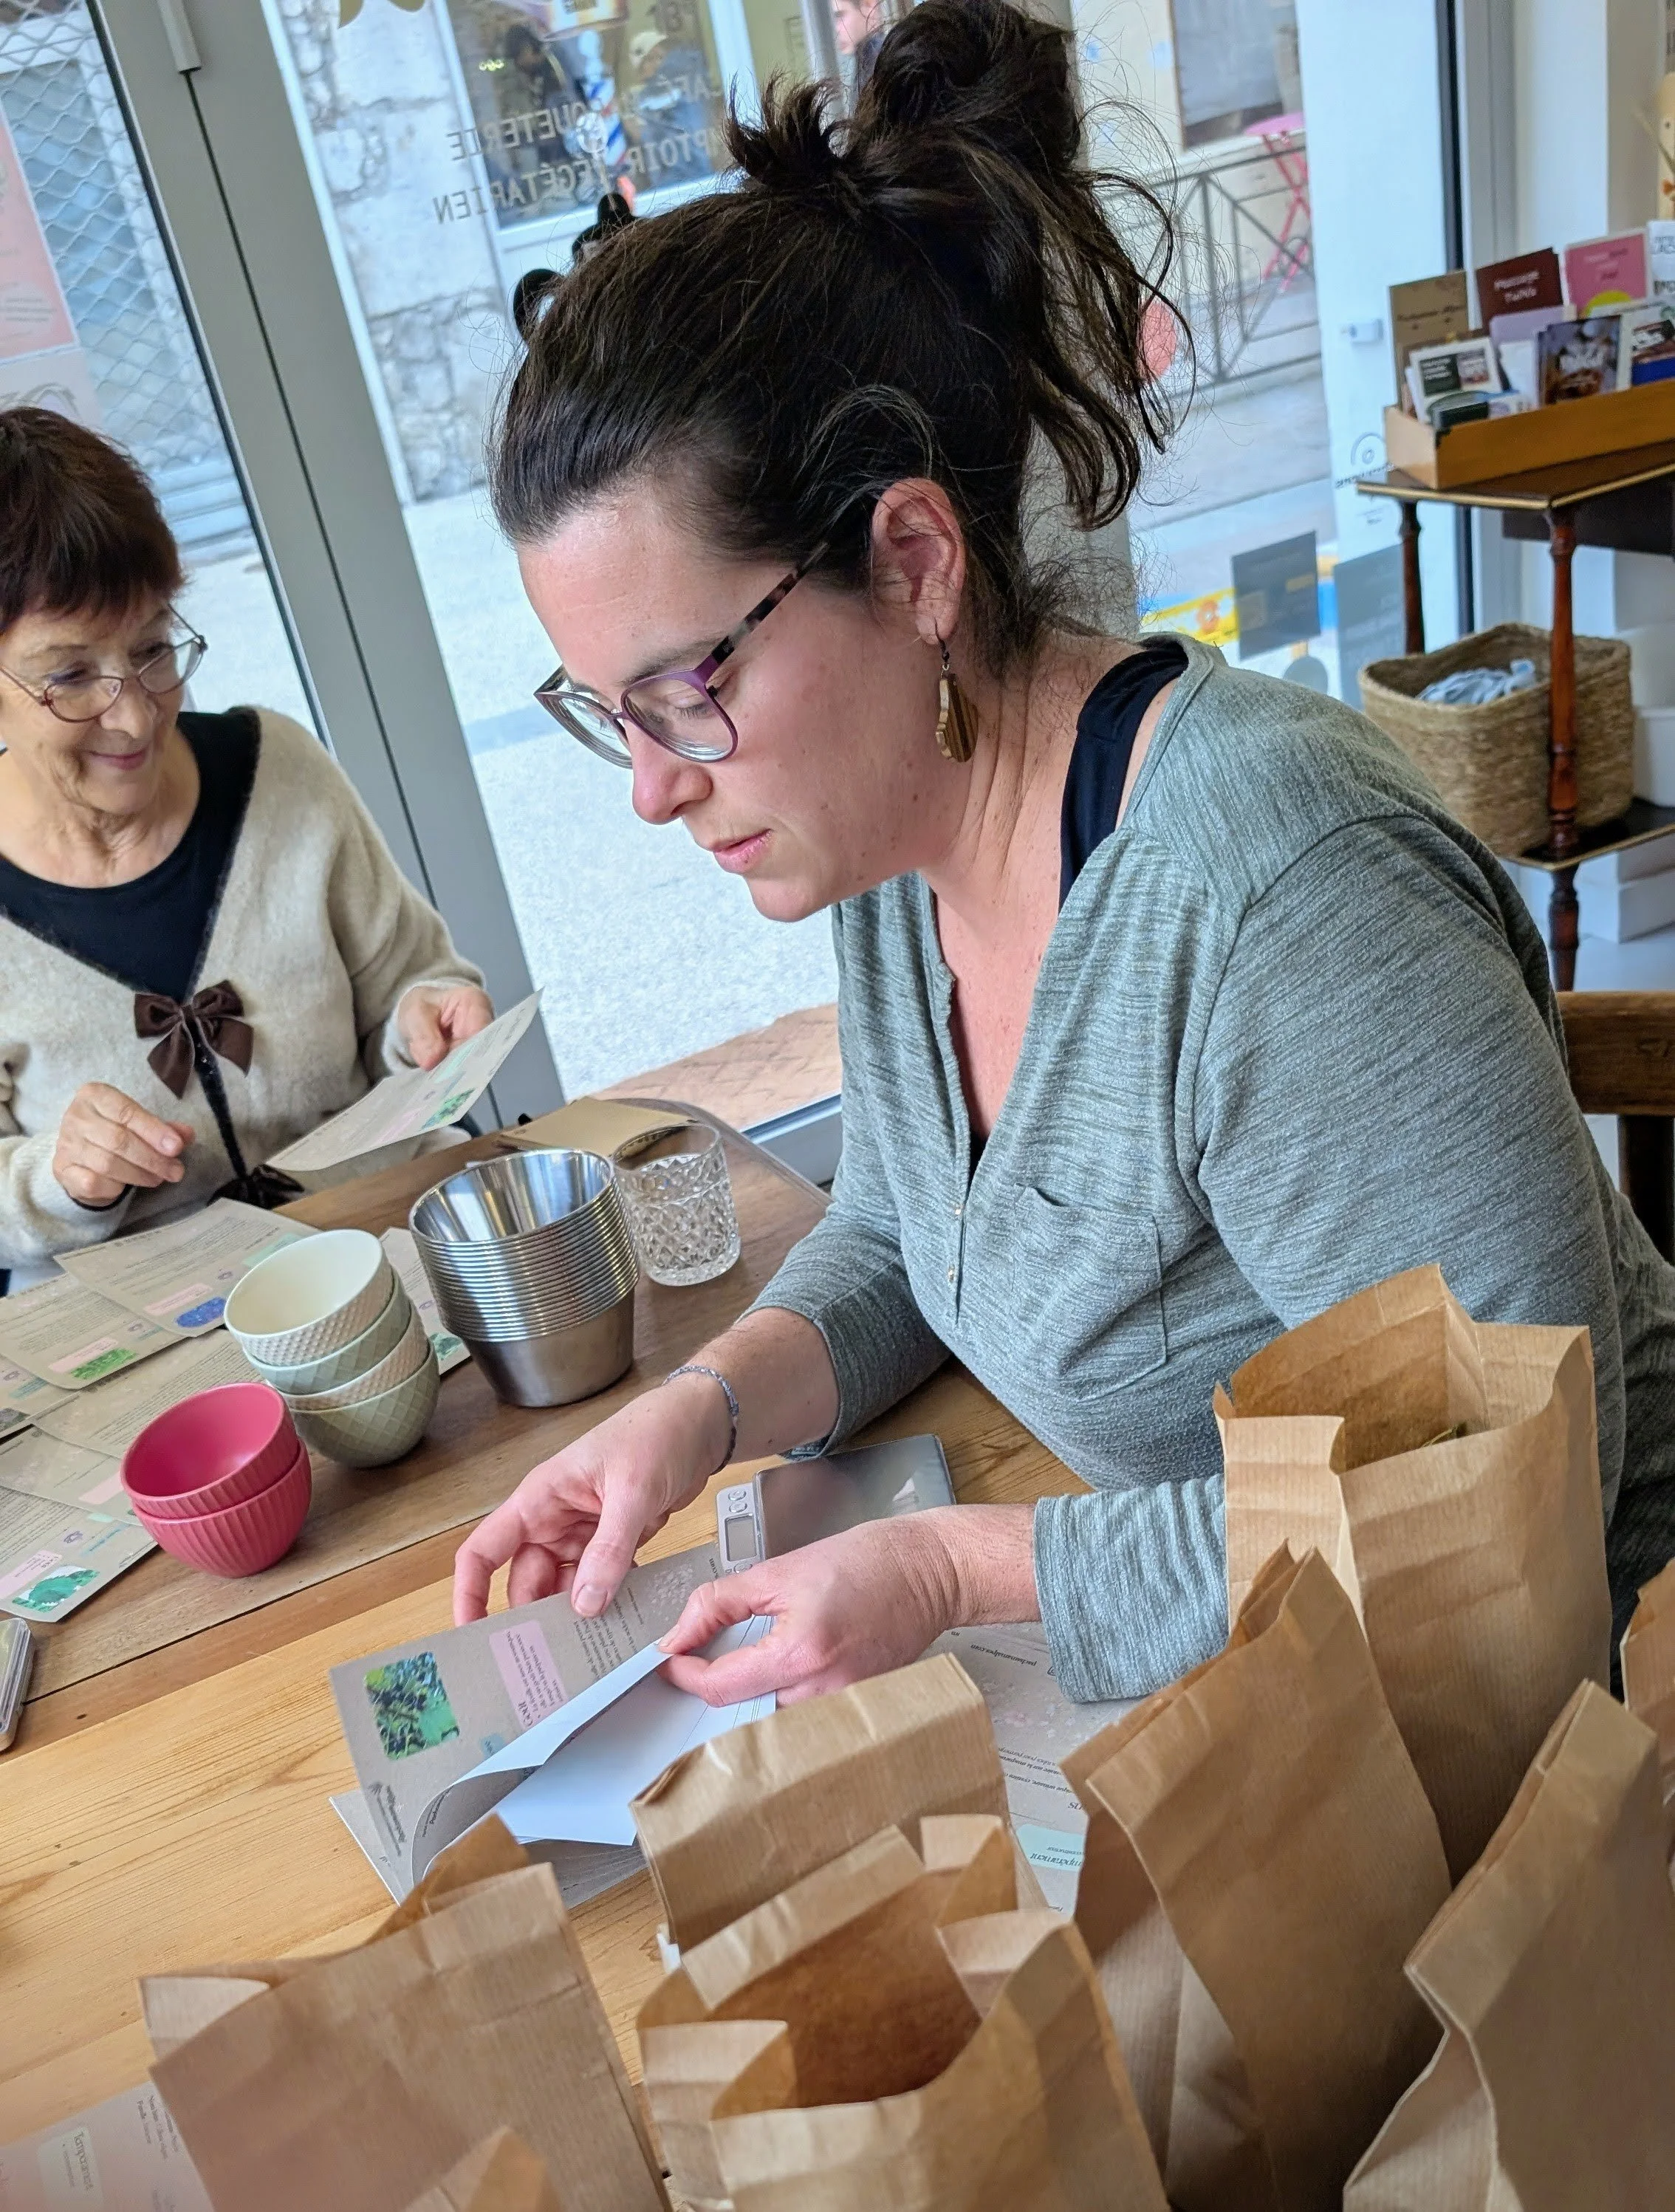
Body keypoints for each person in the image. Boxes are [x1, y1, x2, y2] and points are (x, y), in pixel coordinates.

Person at [453, 0, 1675, 1704]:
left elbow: (1497, 1499)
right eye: (611, 712)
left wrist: (962, 1567)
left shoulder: (1284, 907)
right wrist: (701, 1407)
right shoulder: (897, 856)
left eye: (685, 691)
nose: (653, 789)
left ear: (912, 559)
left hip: (1572, 1739)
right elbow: (911, 1231)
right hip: (1277, 1698)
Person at [0, 408, 493, 1290]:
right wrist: (57, 1178)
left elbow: (415, 983)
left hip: (379, 1253)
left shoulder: (278, 769)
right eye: (70, 674)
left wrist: (429, 1018)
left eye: (153, 648)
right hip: (148, 1326)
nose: (134, 711)